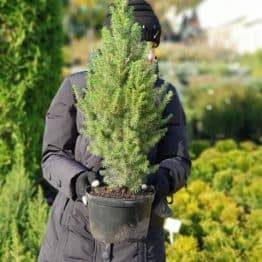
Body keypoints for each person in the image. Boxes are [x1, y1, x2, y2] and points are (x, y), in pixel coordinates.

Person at [38, 1, 191, 261]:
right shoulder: (77, 89)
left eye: (154, 47)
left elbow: (178, 161)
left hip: (137, 245)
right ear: (119, 44)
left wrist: (159, 181)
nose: (152, 55)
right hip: (74, 239)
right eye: (144, 46)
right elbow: (52, 156)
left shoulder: (163, 97)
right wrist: (78, 180)